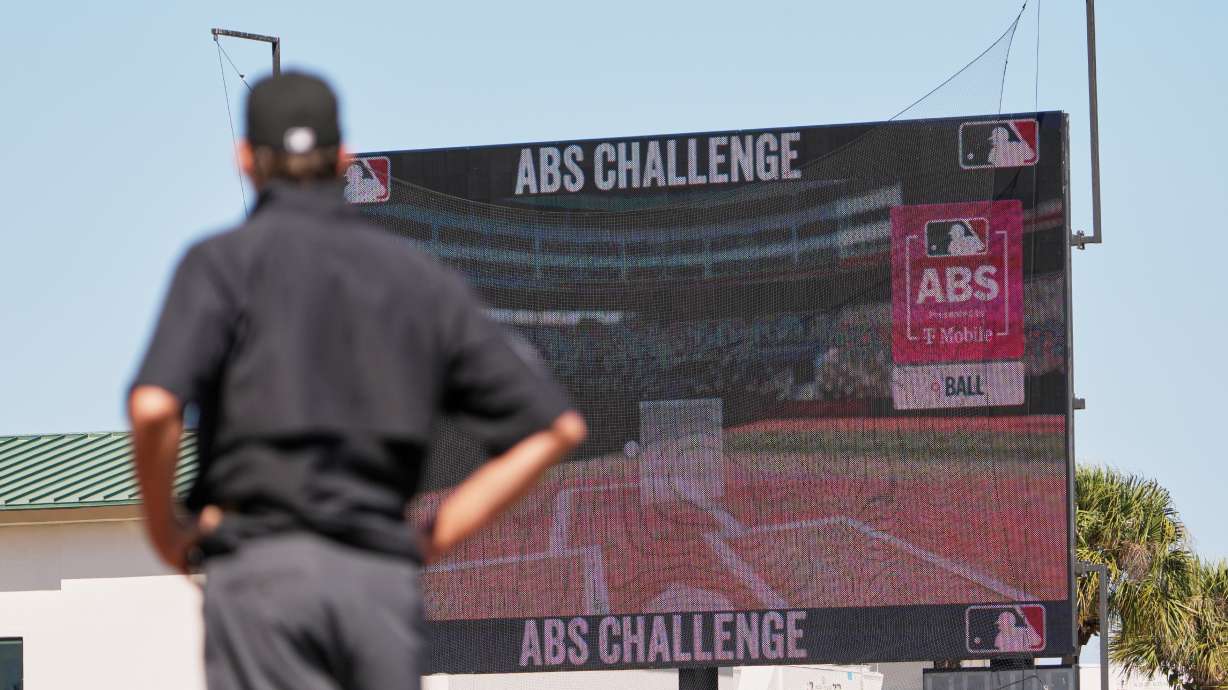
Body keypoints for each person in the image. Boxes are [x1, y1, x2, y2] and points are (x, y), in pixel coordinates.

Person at [127, 71, 586, 690]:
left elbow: (155, 407)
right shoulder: (413, 277)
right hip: (377, 582)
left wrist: (166, 530)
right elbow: (555, 428)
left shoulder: (220, 264)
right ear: (343, 158)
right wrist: (436, 535)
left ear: (245, 159)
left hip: (260, 576)